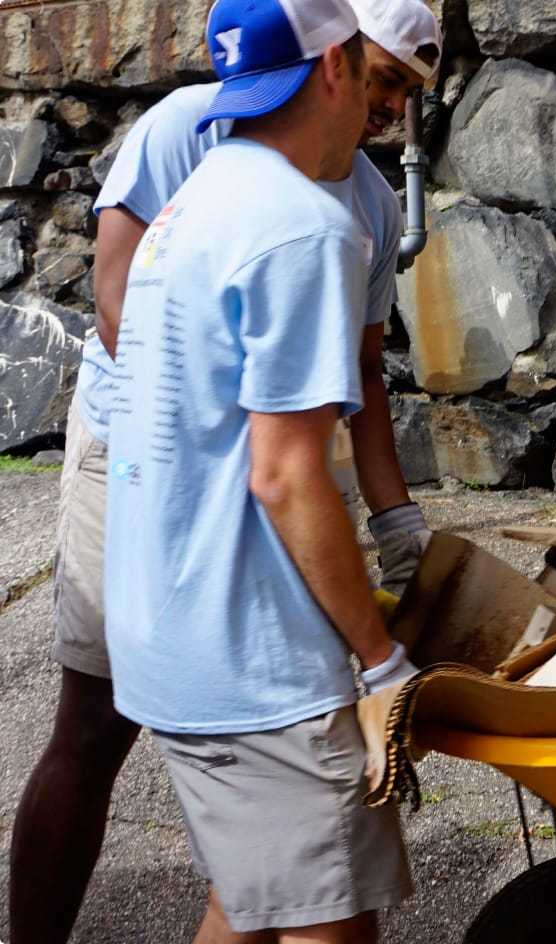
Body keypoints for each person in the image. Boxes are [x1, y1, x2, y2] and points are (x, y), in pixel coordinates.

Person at [6, 0, 441, 939]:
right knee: (332, 921)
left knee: (251, 904)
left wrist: (393, 519)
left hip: (173, 626)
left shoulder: (199, 196)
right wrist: (379, 659)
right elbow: (282, 476)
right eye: (380, 76)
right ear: (338, 63)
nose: (385, 101)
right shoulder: (305, 223)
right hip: (259, 657)